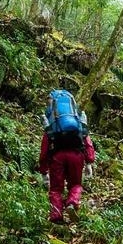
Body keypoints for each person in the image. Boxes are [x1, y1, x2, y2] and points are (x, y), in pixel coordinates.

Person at [38, 93, 95, 224]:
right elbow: (87, 141)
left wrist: (43, 170)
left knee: (56, 189)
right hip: (76, 156)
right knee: (75, 184)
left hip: (57, 157)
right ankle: (72, 202)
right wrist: (89, 162)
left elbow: (44, 149)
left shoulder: (53, 124)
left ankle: (56, 216)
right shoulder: (77, 121)